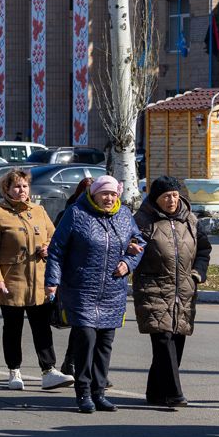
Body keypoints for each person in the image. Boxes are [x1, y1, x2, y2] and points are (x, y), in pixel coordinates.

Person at [45, 175, 144, 413]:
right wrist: (52, 281)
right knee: (86, 339)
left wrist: (129, 262)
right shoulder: (77, 214)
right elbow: (57, 249)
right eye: (104, 194)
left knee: (104, 343)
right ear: (94, 194)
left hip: (112, 290)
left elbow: (139, 242)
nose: (109, 198)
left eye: (113, 194)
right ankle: (84, 393)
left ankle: (100, 393)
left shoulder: (124, 216)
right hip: (81, 288)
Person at [0, 168, 73, 391]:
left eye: (24, 186)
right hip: (11, 281)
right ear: (6, 189)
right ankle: (14, 371)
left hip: (38, 280)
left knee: (42, 327)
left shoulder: (39, 210)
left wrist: (47, 247)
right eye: (16, 186)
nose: (21, 190)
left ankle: (49, 370)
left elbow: (54, 236)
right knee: (12, 328)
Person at [132, 176, 211, 408]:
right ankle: (175, 393)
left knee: (176, 341)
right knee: (163, 339)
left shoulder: (190, 220)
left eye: (175, 195)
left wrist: (198, 273)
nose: (172, 200)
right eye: (166, 196)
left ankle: (155, 392)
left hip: (184, 289)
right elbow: (131, 249)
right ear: (156, 198)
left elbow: (204, 249)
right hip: (154, 288)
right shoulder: (143, 221)